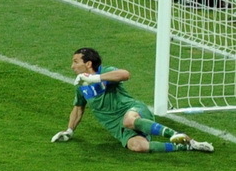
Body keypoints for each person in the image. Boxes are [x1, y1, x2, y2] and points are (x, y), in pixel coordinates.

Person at [52, 48, 214, 153]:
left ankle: (178, 135)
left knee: (129, 120)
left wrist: (94, 78)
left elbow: (125, 74)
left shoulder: (104, 72)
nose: (72, 66)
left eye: (75, 62)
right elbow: (78, 109)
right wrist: (69, 131)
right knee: (137, 146)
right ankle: (186, 146)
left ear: (88, 63)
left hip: (134, 111)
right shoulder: (80, 85)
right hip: (119, 127)